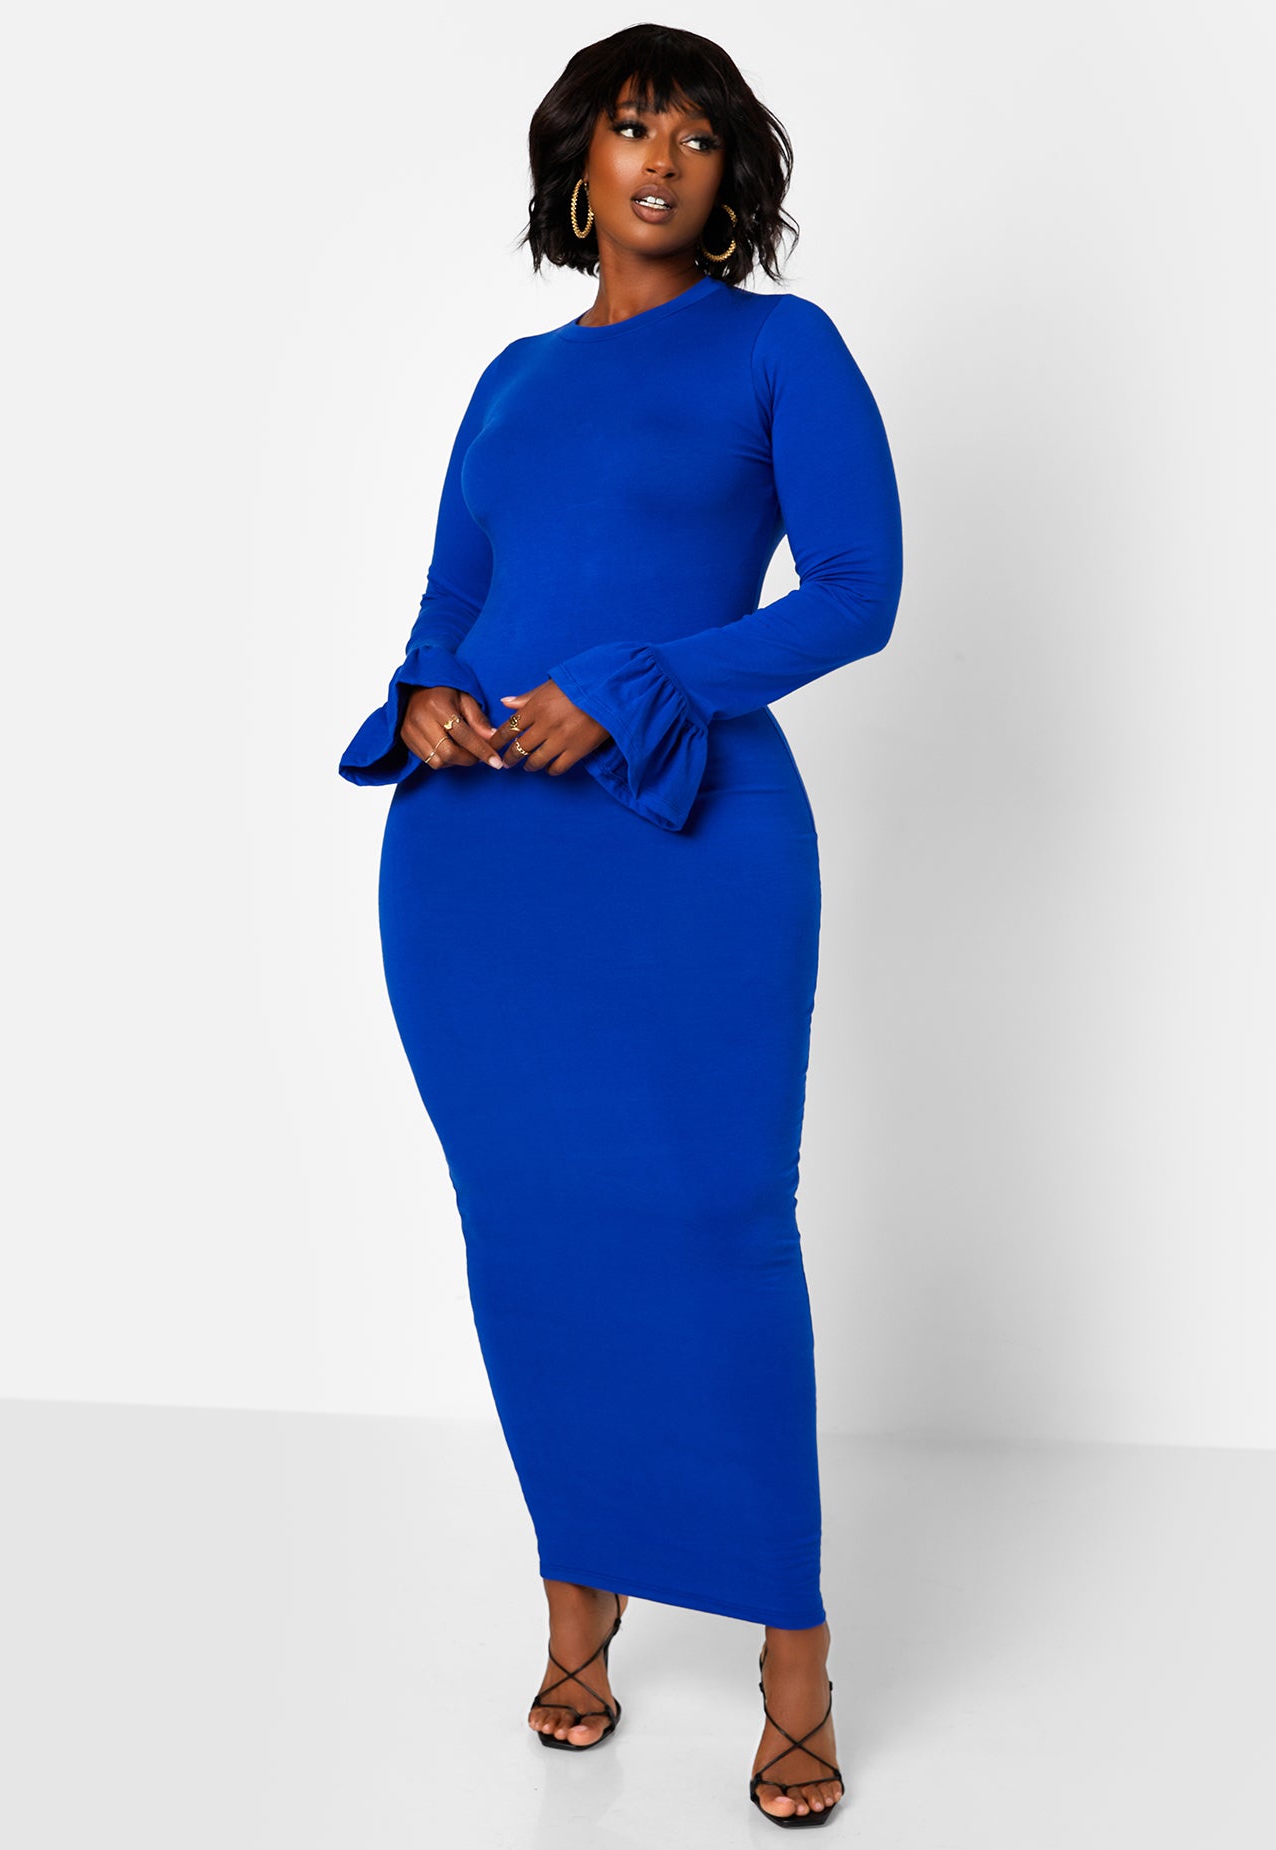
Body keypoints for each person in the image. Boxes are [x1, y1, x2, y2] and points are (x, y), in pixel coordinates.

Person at [338, 23, 903, 1828]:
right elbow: (454, 594)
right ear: (577, 161)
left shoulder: (780, 346)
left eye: (696, 135)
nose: (659, 158)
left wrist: (638, 678)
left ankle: (792, 1649)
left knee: (715, 1224)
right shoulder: (511, 379)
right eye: (629, 125)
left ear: (731, 177)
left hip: (687, 838)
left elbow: (858, 592)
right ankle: (575, 1605)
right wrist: (429, 691)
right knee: (530, 1233)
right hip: (477, 860)